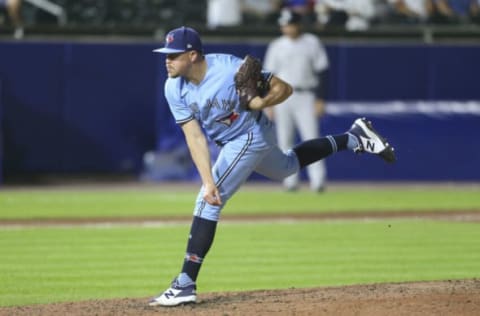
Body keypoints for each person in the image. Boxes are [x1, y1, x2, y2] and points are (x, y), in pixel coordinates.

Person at [148, 26, 396, 307]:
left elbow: (284, 88)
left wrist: (261, 101)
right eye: (166, 55)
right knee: (287, 167)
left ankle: (185, 283)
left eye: (174, 55)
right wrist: (207, 179)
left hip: (250, 135)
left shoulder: (230, 67)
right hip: (230, 142)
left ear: (192, 55)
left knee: (207, 204)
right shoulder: (173, 87)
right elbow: (194, 137)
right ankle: (353, 138)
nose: (167, 60)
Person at [264, 9, 329, 192]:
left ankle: (318, 181)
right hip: (282, 97)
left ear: (298, 24)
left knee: (312, 138)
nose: (287, 28)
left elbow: (323, 71)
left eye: (290, 24)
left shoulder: (311, 42)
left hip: (306, 94)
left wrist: (321, 98)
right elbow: (269, 76)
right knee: (285, 140)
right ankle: (290, 182)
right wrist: (269, 102)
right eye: (284, 25)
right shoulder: (277, 45)